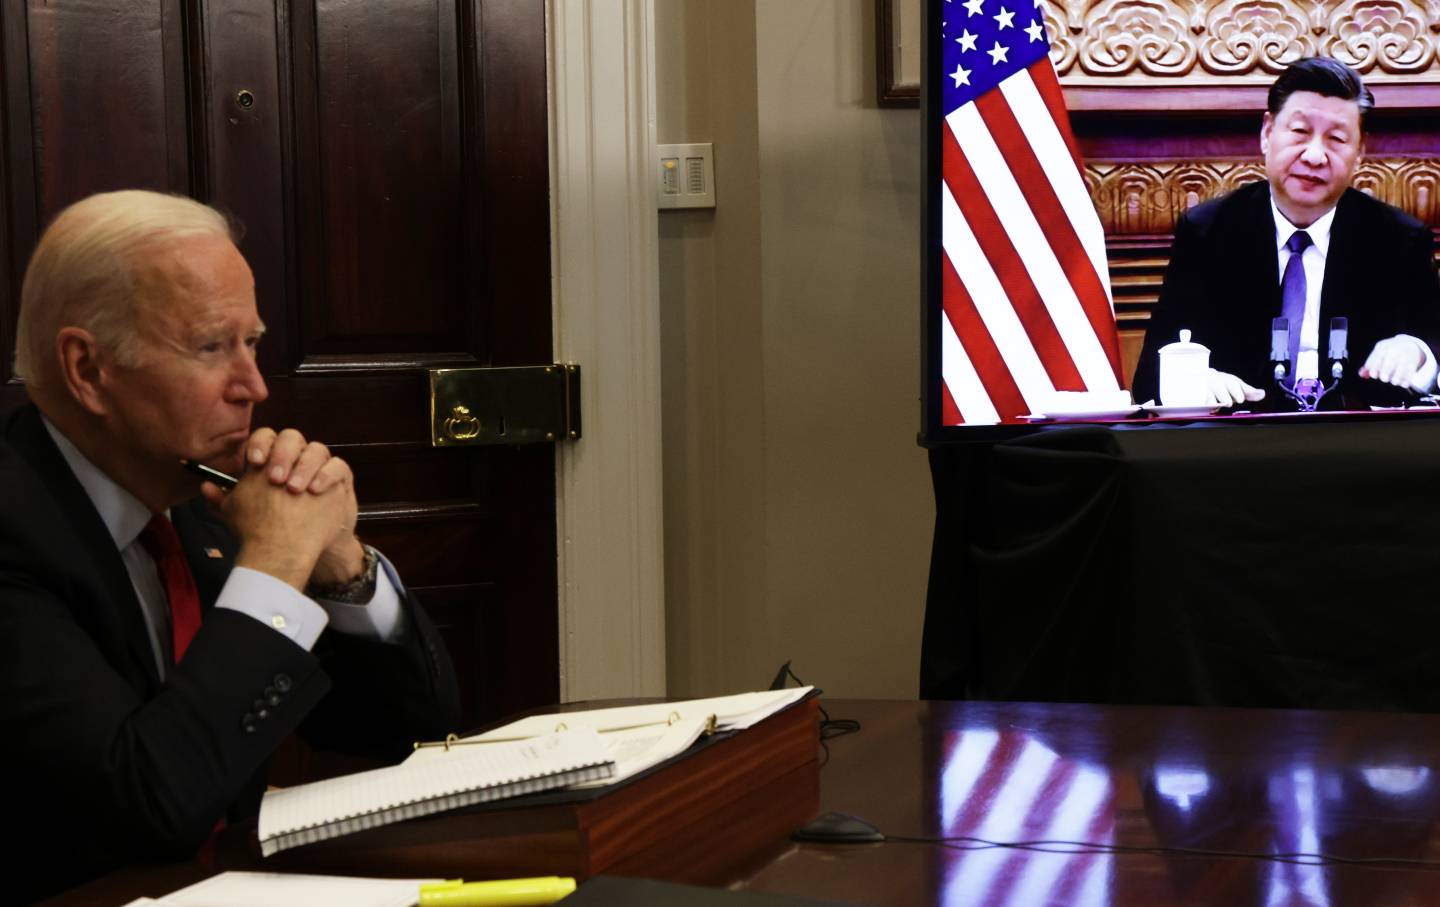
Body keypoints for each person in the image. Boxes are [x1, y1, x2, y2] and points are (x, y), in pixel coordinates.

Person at [0, 190, 461, 902]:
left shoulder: (201, 496)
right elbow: (148, 807)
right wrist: (276, 563)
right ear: (88, 370)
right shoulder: (14, 528)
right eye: (211, 346)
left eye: (253, 344)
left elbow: (412, 729)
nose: (253, 387)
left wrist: (339, 564)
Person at [1131, 57, 1440, 410]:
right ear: (1267, 133)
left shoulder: (1398, 240)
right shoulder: (1209, 232)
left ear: (1360, 153)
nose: (1314, 155)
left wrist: (1417, 352)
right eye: (1299, 132)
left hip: (1359, 446)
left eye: (1337, 139)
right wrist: (1190, 380)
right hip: (1240, 444)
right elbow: (1151, 375)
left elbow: (1433, 343)